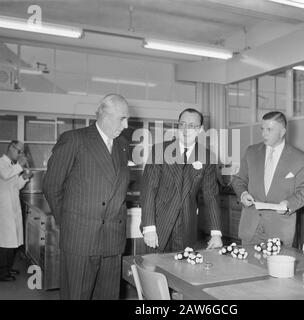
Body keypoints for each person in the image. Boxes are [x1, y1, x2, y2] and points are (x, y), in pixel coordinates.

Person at [43, 94, 130, 299]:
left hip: (113, 239)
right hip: (81, 239)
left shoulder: (122, 145)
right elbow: (52, 185)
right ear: (105, 116)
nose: (126, 125)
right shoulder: (74, 139)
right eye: (122, 118)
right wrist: (69, 223)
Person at [141, 108, 222, 252]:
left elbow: (211, 197)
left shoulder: (207, 157)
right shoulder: (160, 150)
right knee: (154, 271)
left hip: (186, 227)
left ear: (200, 130)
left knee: (182, 271)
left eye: (191, 126)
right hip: (158, 225)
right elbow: (149, 190)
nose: (186, 129)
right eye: (182, 124)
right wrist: (149, 227)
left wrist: (216, 233)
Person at [232, 111, 304, 246]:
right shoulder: (251, 152)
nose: (264, 134)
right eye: (262, 129)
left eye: (269, 129)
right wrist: (243, 194)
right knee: (248, 267)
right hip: (251, 229)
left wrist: (288, 204)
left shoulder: (299, 157)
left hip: (280, 231)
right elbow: (238, 180)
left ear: (282, 131)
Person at [0, 141, 32, 281]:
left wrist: (24, 178)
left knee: (12, 243)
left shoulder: (12, 166)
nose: (20, 155)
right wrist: (20, 165)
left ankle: (7, 269)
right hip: (4, 209)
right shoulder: (1, 163)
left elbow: (16, 186)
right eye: (19, 151)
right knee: (5, 243)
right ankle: (2, 273)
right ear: (11, 148)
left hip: (13, 208)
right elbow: (5, 175)